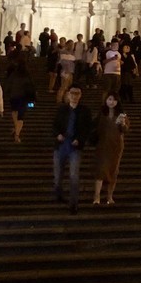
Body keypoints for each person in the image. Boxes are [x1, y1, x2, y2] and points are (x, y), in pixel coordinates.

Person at [52, 87, 95, 215]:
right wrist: (57, 134)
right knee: (58, 174)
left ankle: (73, 204)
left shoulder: (85, 111)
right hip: (61, 145)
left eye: (77, 93)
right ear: (68, 95)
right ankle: (58, 193)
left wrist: (80, 139)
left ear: (80, 95)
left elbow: (87, 128)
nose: (74, 96)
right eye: (72, 93)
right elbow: (54, 125)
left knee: (74, 176)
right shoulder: (62, 109)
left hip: (75, 146)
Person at [92, 93, 128, 206]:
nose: (112, 102)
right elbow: (94, 126)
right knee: (101, 170)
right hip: (103, 144)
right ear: (106, 100)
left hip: (116, 146)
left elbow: (125, 130)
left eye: (114, 100)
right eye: (110, 99)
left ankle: (109, 196)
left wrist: (122, 124)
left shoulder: (122, 115)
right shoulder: (101, 114)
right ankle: (97, 196)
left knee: (114, 170)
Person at [4, 54, 37, 143]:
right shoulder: (28, 74)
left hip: (14, 96)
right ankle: (17, 135)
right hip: (24, 97)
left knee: (14, 112)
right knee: (21, 117)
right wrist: (33, 98)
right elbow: (32, 87)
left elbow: (9, 84)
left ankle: (16, 129)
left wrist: (6, 92)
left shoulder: (14, 74)